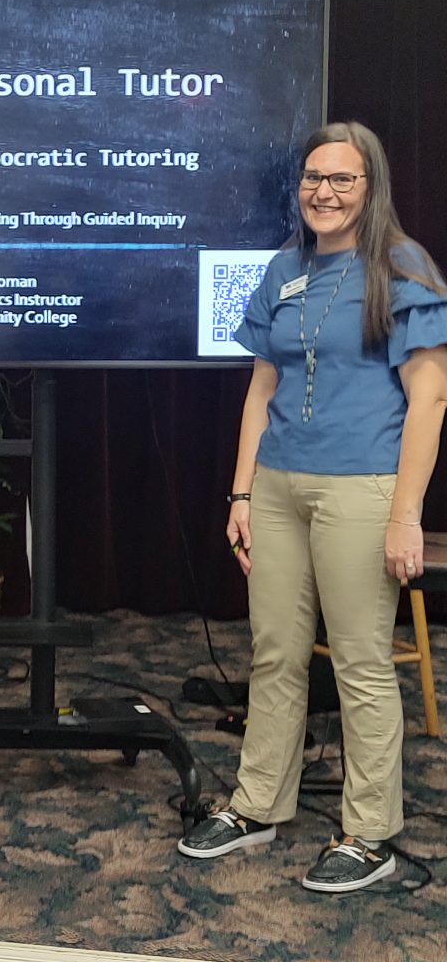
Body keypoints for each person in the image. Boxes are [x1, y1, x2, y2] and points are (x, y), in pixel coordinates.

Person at [178, 121, 447, 893]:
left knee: (361, 663)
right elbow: (262, 385)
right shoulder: (283, 266)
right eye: (312, 178)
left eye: (343, 180)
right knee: (274, 651)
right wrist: (240, 491)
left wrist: (406, 515)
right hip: (278, 488)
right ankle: (258, 804)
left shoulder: (404, 267)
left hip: (361, 488)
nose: (323, 192)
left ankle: (370, 834)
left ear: (371, 188)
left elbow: (429, 399)